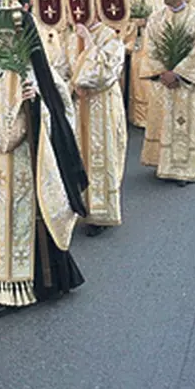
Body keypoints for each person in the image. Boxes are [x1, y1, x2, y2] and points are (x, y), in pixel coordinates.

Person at [0, 10, 87, 315]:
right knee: (5, 221)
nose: (6, 42)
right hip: (2, 161)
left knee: (33, 218)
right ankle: (5, 283)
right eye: (2, 36)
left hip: (32, 160)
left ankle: (47, 281)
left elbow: (62, 112)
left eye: (12, 36)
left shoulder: (38, 70)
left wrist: (36, 105)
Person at [48, 16, 127, 237]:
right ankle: (78, 205)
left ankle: (101, 213)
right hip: (77, 104)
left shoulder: (110, 37)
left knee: (101, 155)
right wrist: (67, 86)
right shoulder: (71, 38)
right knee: (78, 154)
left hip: (103, 106)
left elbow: (107, 73)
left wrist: (90, 43)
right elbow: (60, 70)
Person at [140, 0, 195, 186]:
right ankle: (163, 163)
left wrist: (178, 73)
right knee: (164, 122)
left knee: (184, 125)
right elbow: (150, 48)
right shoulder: (156, 18)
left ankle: (184, 168)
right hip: (163, 82)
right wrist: (162, 72)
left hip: (185, 83)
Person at [126, 0, 163, 128]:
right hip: (138, 47)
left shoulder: (158, 0)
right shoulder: (129, 3)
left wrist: (151, 22)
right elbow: (123, 25)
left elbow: (164, 19)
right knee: (139, 81)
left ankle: (157, 116)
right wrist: (135, 24)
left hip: (155, 46)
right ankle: (140, 116)